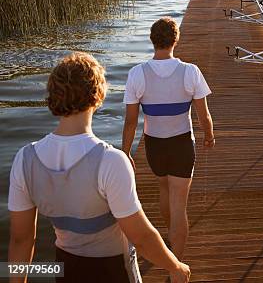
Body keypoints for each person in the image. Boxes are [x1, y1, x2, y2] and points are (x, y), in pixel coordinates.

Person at [8, 52, 190, 283]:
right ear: (98, 95)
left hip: (65, 268)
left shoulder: (25, 159)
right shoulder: (111, 161)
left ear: (54, 95)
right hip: (113, 271)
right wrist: (175, 267)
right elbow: (141, 236)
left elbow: (20, 241)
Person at [122, 17, 214, 261]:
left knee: (164, 188)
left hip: (154, 145)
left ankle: (171, 234)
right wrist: (209, 135)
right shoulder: (190, 71)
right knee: (179, 204)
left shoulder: (137, 74)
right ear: (176, 40)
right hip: (182, 143)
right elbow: (203, 114)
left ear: (153, 40)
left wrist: (126, 152)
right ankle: (177, 264)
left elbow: (131, 121)